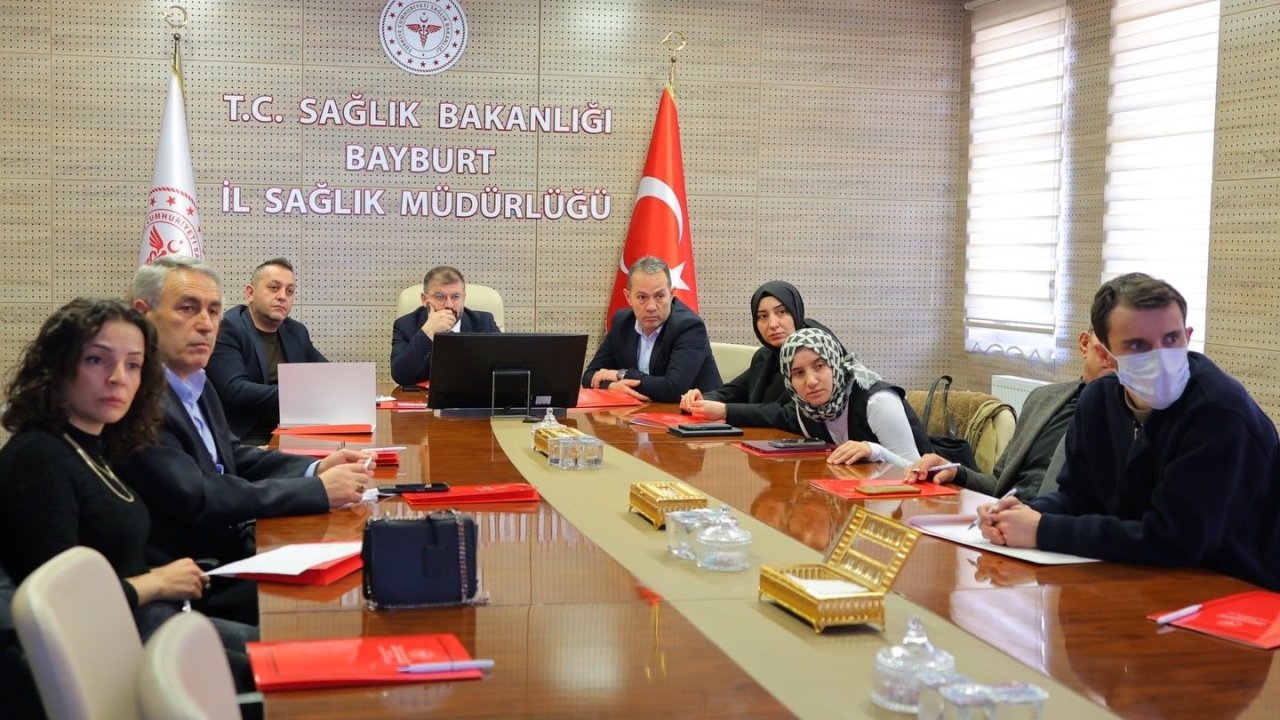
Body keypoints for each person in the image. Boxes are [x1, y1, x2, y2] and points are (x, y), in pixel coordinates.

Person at [0, 298, 255, 692]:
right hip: (105, 656)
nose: (119, 377)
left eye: (133, 365)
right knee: (286, 675)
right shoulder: (39, 459)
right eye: (97, 360)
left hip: (144, 621)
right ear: (56, 367)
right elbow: (59, 607)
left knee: (295, 652)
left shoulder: (96, 446)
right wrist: (155, 583)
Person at [977, 272, 1280, 590]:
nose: (1160, 356)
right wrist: (1020, 514)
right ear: (1106, 355)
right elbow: (1078, 496)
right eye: (1138, 345)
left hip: (1236, 586)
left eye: (1171, 339)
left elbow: (1175, 539)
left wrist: (1043, 530)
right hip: (1139, 574)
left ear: (1188, 336)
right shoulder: (1096, 401)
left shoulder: (1220, 412)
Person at [119, 256, 372, 621]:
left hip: (230, 544)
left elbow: (232, 455)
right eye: (188, 309)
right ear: (144, 314)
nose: (206, 325)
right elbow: (200, 497)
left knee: (356, 559)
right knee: (331, 605)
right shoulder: (137, 398)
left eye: (213, 311)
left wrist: (315, 468)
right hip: (194, 575)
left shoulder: (194, 382)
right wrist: (317, 491)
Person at [904, 330, 1115, 499]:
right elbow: (998, 484)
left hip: (1057, 535)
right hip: (1004, 519)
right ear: (1085, 344)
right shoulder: (1042, 399)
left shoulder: (1129, 420)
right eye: (1107, 344)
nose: (1115, 357)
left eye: (1132, 348)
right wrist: (955, 472)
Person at [679, 281, 836, 427]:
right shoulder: (765, 356)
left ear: (796, 312)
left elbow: (793, 415)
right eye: (763, 316)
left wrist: (725, 411)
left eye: (781, 312)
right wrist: (701, 399)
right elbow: (733, 391)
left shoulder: (818, 351)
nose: (773, 324)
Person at [207, 257, 327, 445]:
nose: (282, 296)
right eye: (273, 288)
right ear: (250, 293)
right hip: (246, 437)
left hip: (293, 429)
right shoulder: (227, 328)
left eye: (290, 291)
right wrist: (298, 396)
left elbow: (327, 373)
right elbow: (235, 390)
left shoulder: (296, 331)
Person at [777, 328, 931, 467]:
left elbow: (916, 468)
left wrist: (874, 451)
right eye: (799, 373)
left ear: (835, 364)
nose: (811, 381)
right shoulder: (807, 408)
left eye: (819, 366)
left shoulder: (877, 400)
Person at [582, 256, 721, 403]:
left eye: (660, 296)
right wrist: (612, 386)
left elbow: (672, 389)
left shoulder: (689, 327)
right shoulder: (622, 323)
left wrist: (621, 375)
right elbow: (590, 376)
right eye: (642, 297)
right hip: (641, 416)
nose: (651, 307)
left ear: (671, 293)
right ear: (628, 297)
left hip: (695, 418)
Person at [390, 265, 500, 386]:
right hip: (424, 401)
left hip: (474, 400)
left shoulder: (484, 323)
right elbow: (400, 376)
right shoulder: (406, 325)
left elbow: (503, 370)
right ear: (424, 299)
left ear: (464, 298)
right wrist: (428, 331)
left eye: (456, 297)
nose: (449, 305)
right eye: (439, 297)